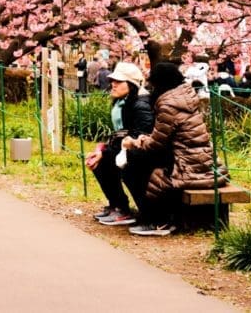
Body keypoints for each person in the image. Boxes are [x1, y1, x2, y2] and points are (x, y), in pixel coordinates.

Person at [122, 62, 227, 236]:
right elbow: (163, 138)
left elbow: (156, 144)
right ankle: (153, 217)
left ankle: (158, 220)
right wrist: (143, 140)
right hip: (197, 158)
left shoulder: (168, 104)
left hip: (187, 163)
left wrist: (135, 143)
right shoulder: (183, 96)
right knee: (138, 159)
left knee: (134, 163)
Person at [87, 62, 154, 227]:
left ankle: (124, 209)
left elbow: (139, 136)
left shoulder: (140, 104)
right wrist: (103, 149)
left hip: (141, 152)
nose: (113, 84)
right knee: (98, 161)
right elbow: (120, 134)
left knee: (106, 161)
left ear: (131, 84)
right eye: (113, 81)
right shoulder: (122, 102)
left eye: (119, 82)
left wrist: (106, 151)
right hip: (126, 148)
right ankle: (118, 205)